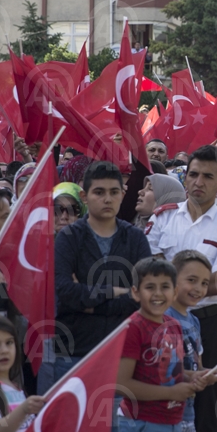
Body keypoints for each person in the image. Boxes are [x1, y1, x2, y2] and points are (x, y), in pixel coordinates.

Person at [146, 145, 217, 432]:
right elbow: (145, 274)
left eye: (207, 176)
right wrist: (186, 283)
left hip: (210, 326)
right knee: (160, 399)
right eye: (192, 175)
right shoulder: (162, 218)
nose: (197, 182)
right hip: (162, 326)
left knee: (206, 410)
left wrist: (167, 280)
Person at [53, 161, 151, 381]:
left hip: (123, 353)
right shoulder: (68, 238)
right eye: (99, 192)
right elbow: (65, 291)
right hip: (73, 352)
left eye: (114, 192)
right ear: (84, 196)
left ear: (123, 194)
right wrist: (115, 292)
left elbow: (144, 294)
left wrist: (88, 301)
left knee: (114, 416)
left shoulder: (135, 238)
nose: (108, 199)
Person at [115, 258, 207, 432]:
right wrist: (172, 393)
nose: (158, 293)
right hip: (142, 424)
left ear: (174, 292)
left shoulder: (174, 325)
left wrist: (192, 376)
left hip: (173, 422)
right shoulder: (133, 327)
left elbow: (170, 372)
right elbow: (121, 384)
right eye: (150, 287)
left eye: (165, 287)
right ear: (136, 293)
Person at [166, 250, 217, 432]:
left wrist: (208, 374)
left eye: (204, 283)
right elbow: (160, 369)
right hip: (161, 414)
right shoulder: (162, 317)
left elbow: (197, 365)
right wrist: (193, 376)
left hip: (187, 413)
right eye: (192, 280)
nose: (198, 288)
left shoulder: (194, 321)